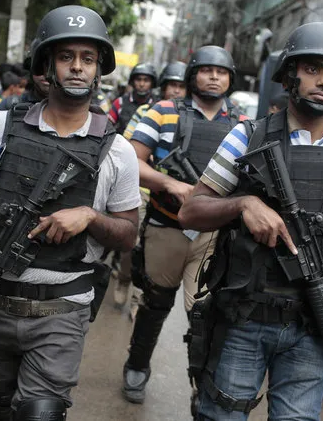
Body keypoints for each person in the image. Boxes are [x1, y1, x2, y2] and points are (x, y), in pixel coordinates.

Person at [177, 22, 323, 420]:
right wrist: (242, 205)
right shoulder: (245, 138)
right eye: (313, 69)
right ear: (290, 75)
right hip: (245, 320)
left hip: (315, 326)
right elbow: (190, 211)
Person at [0, 5, 141, 420]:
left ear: (98, 69)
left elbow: (129, 234)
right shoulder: (1, 127)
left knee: (42, 413)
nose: (77, 68)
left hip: (64, 310)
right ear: (47, 65)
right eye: (66, 57)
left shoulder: (118, 151)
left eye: (88, 59)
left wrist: (89, 217)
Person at [122, 46, 245, 405]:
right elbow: (131, 160)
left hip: (213, 235)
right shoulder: (162, 111)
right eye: (206, 70)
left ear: (230, 79)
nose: (213, 77)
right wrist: (169, 184)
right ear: (193, 75)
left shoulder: (240, 123)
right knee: (156, 302)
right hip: (166, 226)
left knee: (205, 314)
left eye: (221, 72)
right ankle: (137, 364)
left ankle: (201, 387)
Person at [112, 61, 188, 321]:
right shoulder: (147, 110)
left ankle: (137, 297)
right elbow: (129, 147)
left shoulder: (191, 119)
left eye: (181, 86)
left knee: (154, 254)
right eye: (172, 86)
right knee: (131, 244)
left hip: (176, 201)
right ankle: (123, 277)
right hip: (142, 188)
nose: (176, 91)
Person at [108, 63, 158, 135]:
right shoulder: (120, 102)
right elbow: (107, 126)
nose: (141, 84)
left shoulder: (158, 106)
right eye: (138, 80)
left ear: (152, 83)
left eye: (146, 80)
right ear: (132, 82)